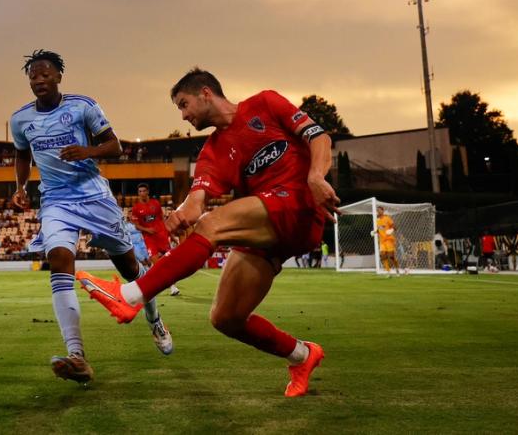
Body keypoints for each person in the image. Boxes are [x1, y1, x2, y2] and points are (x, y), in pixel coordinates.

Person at [77, 68, 338, 397]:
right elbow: (197, 200)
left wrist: (316, 176)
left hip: (300, 205)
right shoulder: (214, 151)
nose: (184, 115)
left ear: (205, 93)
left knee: (211, 227)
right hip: (272, 227)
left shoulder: (265, 103)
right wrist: (183, 212)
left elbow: (319, 136)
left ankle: (129, 296)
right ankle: (301, 355)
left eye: (184, 105)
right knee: (226, 318)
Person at [11, 49, 172, 384]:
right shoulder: (20, 119)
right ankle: (77, 355)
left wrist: (88, 151)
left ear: (58, 77)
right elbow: (22, 155)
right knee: (58, 260)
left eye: (45, 74)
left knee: (130, 270)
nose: (38, 80)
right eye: (33, 76)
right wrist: (21, 187)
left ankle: (154, 319)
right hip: (55, 200)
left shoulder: (82, 106)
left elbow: (115, 146)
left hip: (94, 195)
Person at [129, 183, 181, 295]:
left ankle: (168, 284)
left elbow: (162, 220)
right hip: (149, 238)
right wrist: (147, 230)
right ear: (138, 194)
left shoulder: (155, 204)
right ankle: (171, 286)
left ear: (148, 192)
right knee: (157, 263)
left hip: (161, 236)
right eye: (140, 191)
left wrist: (170, 235)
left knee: (168, 262)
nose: (142, 193)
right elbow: (136, 225)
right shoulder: (136, 208)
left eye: (144, 191)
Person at [374, 207, 403, 276]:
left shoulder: (387, 218)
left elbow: (395, 227)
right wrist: (375, 232)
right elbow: (380, 230)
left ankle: (397, 269)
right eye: (377, 210)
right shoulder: (377, 220)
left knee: (391, 257)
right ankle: (388, 272)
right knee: (382, 256)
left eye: (379, 210)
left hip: (389, 240)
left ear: (383, 211)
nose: (378, 211)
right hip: (382, 241)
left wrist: (391, 230)